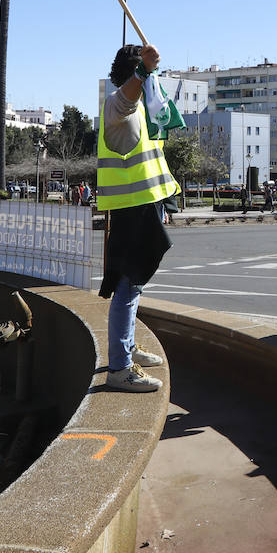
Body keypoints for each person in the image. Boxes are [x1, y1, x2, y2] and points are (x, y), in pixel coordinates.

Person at [98, 44, 178, 392]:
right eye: (144, 75)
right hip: (133, 206)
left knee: (135, 283)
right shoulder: (119, 104)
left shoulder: (144, 108)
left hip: (146, 203)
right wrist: (143, 73)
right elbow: (124, 101)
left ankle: (126, 349)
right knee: (129, 285)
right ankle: (119, 367)